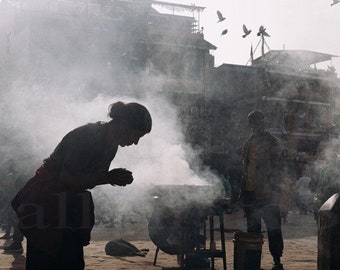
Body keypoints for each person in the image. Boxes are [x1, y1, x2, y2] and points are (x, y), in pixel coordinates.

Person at [11, 101, 152, 270]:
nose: (135, 142)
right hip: (47, 205)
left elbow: (88, 179)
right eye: (136, 135)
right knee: (45, 260)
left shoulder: (112, 145)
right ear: (124, 124)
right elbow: (67, 178)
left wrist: (111, 177)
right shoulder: (86, 136)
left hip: (69, 207)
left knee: (72, 261)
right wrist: (108, 177)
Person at [240, 110, 285, 270]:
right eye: (252, 122)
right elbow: (245, 169)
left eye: (257, 121)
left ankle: (277, 260)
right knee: (252, 230)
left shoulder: (273, 142)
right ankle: (254, 262)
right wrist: (242, 192)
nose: (254, 125)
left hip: (268, 194)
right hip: (250, 192)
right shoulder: (248, 143)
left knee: (273, 228)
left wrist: (275, 189)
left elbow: (279, 168)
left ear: (262, 122)